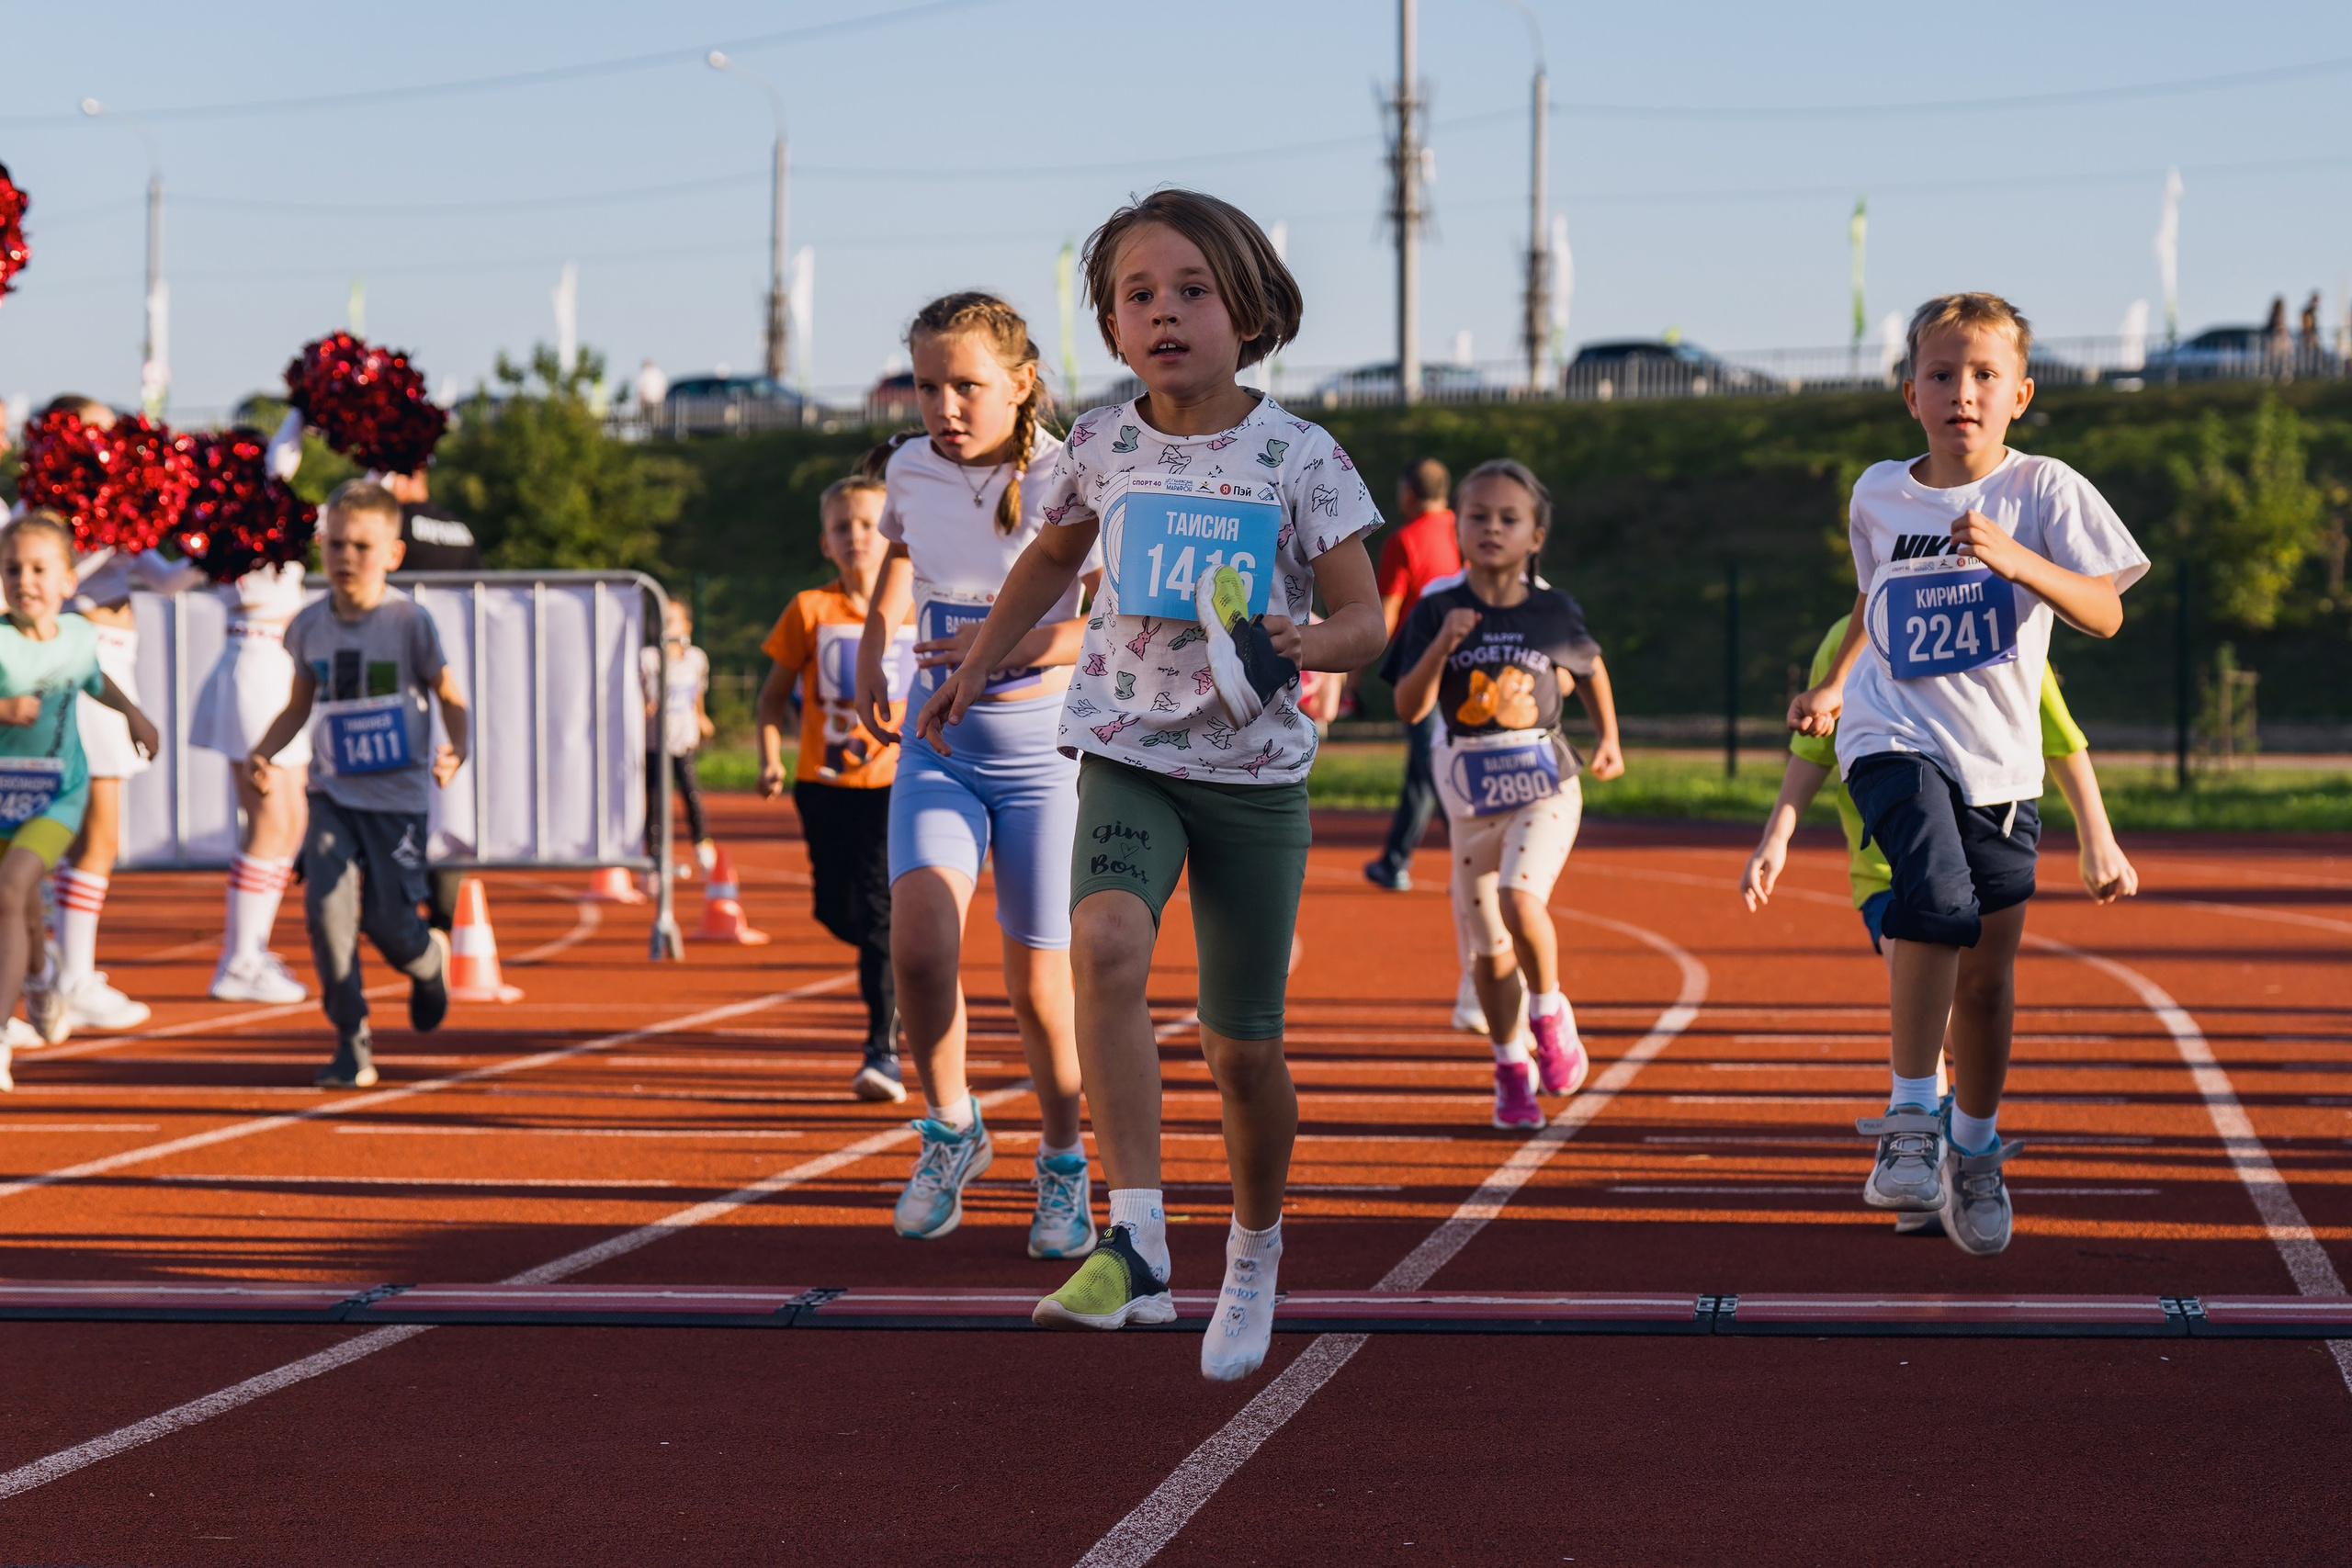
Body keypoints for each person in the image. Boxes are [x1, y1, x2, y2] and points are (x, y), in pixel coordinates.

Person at [929, 189, 1386, 1381]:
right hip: (1126, 751)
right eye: (1140, 295)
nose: (1166, 313)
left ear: (1252, 311)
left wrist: (1302, 641)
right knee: (1107, 948)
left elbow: (1366, 619)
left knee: (1242, 1052)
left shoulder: (1301, 457)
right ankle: (1133, 1241)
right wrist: (975, 666)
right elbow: (1049, 556)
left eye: (1193, 290)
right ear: (1113, 325)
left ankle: (1254, 1245)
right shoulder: (1099, 442)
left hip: (1251, 779)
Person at [1789, 292, 2147, 1257]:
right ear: (1911, 394)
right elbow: (1872, 599)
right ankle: (1910, 1119)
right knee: (1933, 896)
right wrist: (1834, 686)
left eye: (1983, 375)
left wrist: (2020, 562)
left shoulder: (2045, 491)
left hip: (1999, 763)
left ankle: (1975, 1148)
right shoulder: (1877, 493)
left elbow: (2105, 613)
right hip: (1891, 738)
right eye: (1942, 375)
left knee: (1986, 983)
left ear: (2018, 394)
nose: (1962, 392)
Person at [1743, 614, 2138, 1236]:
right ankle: (1916, 1132)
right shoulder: (1845, 640)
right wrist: (1775, 838)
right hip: (1885, 868)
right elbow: (1812, 750)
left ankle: (1965, 1143)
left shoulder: (1999, 623)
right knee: (1923, 972)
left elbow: (2060, 737)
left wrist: (2099, 838)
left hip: (1983, 841)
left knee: (1974, 997)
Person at [853, 291, 1101, 1261]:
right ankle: (952, 1128)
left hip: (1041, 759)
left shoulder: (1068, 472)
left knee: (1041, 991)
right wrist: (879, 649)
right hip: (938, 750)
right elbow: (900, 565)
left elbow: (1103, 623)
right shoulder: (910, 468)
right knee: (916, 949)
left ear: (1021, 382)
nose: (942, 406)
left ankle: (1063, 1161)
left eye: (966, 386)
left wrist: (1001, 655)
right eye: (925, 385)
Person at [1383, 459, 1623, 1130]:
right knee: (1487, 954)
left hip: (1544, 780)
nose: (1492, 528)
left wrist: (1609, 738)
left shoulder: (1552, 608)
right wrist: (1441, 649)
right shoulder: (1436, 606)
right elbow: (1408, 707)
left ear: (1536, 536)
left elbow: (1591, 663)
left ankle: (1549, 1014)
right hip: (1470, 793)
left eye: (1508, 518)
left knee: (1522, 898)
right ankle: (1510, 1065)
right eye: (1478, 516)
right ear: (1455, 525)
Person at [247, 480, 469, 1090]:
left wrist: (458, 746)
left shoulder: (408, 621)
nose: (346, 557)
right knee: (325, 913)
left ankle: (427, 962)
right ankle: (351, 1040)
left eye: (362, 546)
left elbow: (451, 694)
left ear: (393, 554)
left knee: (388, 922)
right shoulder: (308, 626)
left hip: (397, 800)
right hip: (333, 795)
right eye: (336, 544)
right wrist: (265, 750)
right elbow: (299, 704)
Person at [39, 395, 204, 1039]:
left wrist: (215, 552)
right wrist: (110, 540)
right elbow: (53, 579)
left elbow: (164, 580)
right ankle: (71, 974)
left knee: (89, 835)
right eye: (96, 437)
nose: (112, 451)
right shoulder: (51, 520)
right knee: (92, 833)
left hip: (112, 668)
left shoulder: (113, 520)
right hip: (83, 669)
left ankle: (65, 968)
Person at [760, 474, 917, 1100]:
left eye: (868, 525)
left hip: (895, 783)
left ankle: (882, 1048)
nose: (855, 537)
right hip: (821, 784)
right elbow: (772, 698)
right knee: (836, 909)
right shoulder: (809, 609)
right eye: (842, 527)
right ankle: (906, 958)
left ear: (892, 535)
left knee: (879, 908)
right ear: (824, 542)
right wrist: (771, 756)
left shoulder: (914, 604)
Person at [0, 512, 160, 1089]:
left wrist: (135, 715)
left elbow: (95, 679)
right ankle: (42, 977)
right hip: (2, 795)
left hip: (57, 795)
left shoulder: (79, 636)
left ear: (70, 579)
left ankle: (0, 1038)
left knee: (13, 889)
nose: (25, 581)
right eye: (12, 569)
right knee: (16, 909)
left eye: (40, 569)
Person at [188, 556, 316, 1003]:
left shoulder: (278, 509)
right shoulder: (234, 506)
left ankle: (252, 951)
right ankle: (239, 959)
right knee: (269, 822)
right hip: (255, 663)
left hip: (281, 665)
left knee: (293, 820)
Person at [1362, 457, 1459, 895]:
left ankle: (1475, 857)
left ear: (1409, 493)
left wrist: (1353, 673)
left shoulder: (1405, 540)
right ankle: (1395, 859)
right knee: (1429, 766)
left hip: (1423, 667)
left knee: (1432, 766)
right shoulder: (1464, 530)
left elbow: (1386, 614)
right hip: (1472, 663)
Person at [641, 599, 715, 878]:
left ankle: (703, 844)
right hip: (653, 743)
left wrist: (702, 717)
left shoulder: (696, 658)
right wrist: (643, 710)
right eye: (658, 619)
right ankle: (653, 861)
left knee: (691, 793)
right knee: (655, 801)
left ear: (686, 626)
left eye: (671, 619)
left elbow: (697, 695)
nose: (664, 625)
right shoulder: (647, 659)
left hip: (682, 740)